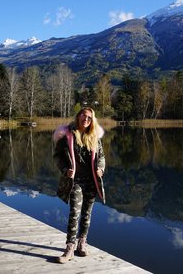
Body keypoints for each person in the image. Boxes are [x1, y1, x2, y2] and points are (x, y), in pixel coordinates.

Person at [53, 107, 106, 263]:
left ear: (92, 121)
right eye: (84, 116)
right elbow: (57, 156)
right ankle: (69, 248)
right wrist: (64, 169)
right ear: (78, 117)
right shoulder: (67, 135)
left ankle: (82, 243)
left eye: (89, 118)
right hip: (75, 181)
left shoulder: (94, 137)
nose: (86, 119)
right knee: (74, 213)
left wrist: (101, 168)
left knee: (87, 214)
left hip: (92, 181)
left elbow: (101, 156)